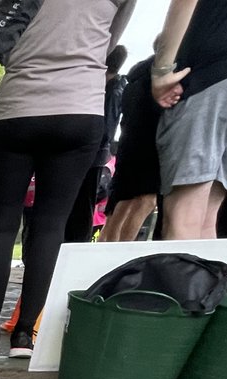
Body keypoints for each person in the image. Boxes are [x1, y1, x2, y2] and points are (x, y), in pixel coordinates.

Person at [0, 0, 136, 361]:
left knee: (0, 225)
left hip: (19, 106)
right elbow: (110, 41)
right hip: (80, 109)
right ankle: (25, 336)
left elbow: (4, 31)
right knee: (50, 226)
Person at [153, 0, 227, 239]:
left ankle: (180, 278)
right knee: (206, 218)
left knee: (183, 215)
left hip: (215, 74)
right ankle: (205, 277)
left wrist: (162, 70)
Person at [65, 45, 128, 243]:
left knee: (82, 206)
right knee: (80, 206)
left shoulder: (112, 90)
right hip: (94, 154)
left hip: (91, 154)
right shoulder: (114, 88)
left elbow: (106, 129)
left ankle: (74, 245)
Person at [100, 48, 162, 241]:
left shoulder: (132, 81)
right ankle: (124, 252)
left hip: (128, 146)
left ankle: (106, 249)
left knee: (120, 204)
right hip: (150, 147)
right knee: (146, 201)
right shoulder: (157, 77)